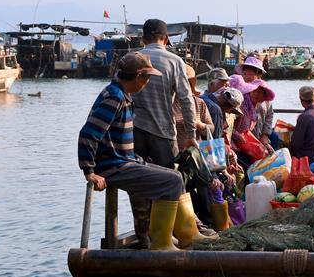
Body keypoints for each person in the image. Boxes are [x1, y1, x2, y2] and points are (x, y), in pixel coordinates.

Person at [77, 52, 185, 251]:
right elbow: (88, 134)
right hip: (113, 165)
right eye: (147, 78)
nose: (147, 83)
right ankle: (161, 243)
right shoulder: (115, 97)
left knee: (175, 175)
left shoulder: (121, 94)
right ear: (138, 77)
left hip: (125, 160)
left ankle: (174, 235)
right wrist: (89, 171)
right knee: (173, 182)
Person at [129, 19, 197, 243]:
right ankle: (166, 236)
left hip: (134, 132)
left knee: (138, 182)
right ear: (166, 39)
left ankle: (143, 235)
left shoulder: (132, 59)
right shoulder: (174, 61)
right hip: (163, 132)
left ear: (143, 39)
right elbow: (187, 101)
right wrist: (191, 135)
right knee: (170, 181)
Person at [236, 55, 276, 149]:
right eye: (245, 74)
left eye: (250, 74)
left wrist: (265, 134)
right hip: (243, 138)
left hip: (260, 134)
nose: (247, 77)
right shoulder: (239, 93)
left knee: (275, 139)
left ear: (258, 75)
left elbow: (269, 114)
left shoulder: (264, 92)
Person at [174, 64, 215, 145]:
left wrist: (200, 125)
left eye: (185, 83)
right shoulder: (168, 102)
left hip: (193, 152)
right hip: (173, 151)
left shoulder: (199, 103)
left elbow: (211, 128)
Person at [200, 68, 230, 140]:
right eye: (223, 84)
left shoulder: (200, 98)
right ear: (212, 84)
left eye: (227, 84)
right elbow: (216, 139)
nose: (226, 88)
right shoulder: (214, 107)